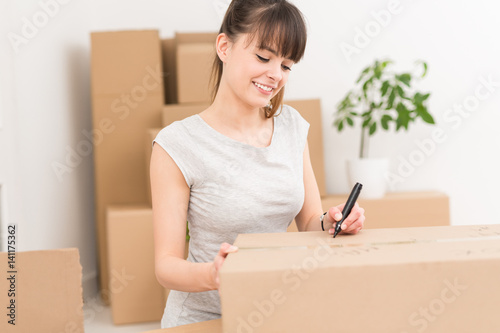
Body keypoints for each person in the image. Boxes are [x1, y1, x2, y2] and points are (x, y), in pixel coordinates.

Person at [150, 0, 365, 328]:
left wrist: (334, 221)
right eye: (263, 57)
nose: (276, 75)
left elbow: (309, 221)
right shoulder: (177, 144)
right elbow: (165, 266)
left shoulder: (292, 126)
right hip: (205, 318)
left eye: (287, 65)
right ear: (224, 46)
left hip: (271, 313)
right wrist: (214, 273)